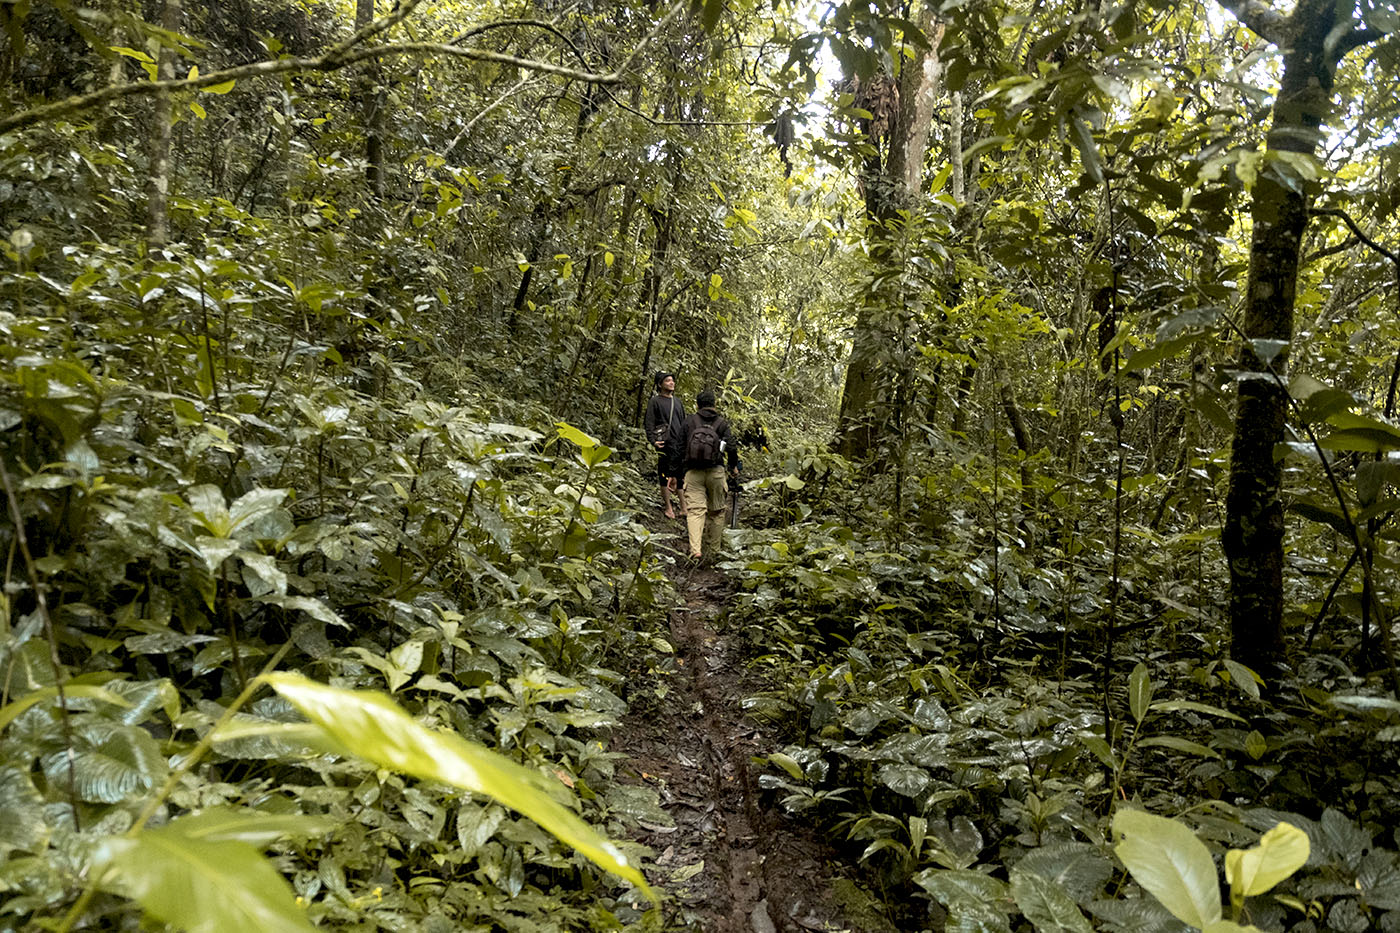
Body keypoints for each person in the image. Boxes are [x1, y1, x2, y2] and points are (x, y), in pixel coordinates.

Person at [676, 388, 739, 561]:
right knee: (717, 511)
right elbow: (731, 447)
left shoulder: (689, 422)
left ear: (697, 404)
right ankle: (714, 550)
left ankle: (695, 550)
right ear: (715, 404)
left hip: (693, 472)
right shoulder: (722, 424)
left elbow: (679, 448)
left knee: (695, 511)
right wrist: (733, 466)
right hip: (716, 472)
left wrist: (676, 474)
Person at [643, 371, 686, 519]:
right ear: (660, 384)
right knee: (664, 474)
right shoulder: (655, 401)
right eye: (667, 381)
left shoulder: (678, 402)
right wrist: (653, 440)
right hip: (664, 444)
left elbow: (683, 422)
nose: (671, 383)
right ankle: (668, 507)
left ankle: (683, 507)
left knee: (680, 476)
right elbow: (649, 423)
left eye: (672, 380)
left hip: (679, 445)